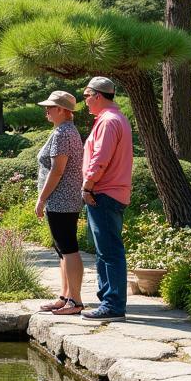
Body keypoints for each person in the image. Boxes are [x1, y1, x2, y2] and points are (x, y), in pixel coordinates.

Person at [80, 76, 134, 322]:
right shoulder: (114, 118)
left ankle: (112, 305)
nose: (85, 102)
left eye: (86, 96)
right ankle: (107, 301)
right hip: (110, 192)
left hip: (104, 192)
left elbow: (100, 158)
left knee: (110, 250)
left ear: (97, 95)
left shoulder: (109, 121)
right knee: (105, 250)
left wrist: (88, 185)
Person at [34, 91, 85, 316]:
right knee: (62, 250)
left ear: (63, 110)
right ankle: (65, 296)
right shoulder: (64, 131)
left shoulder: (63, 133)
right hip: (63, 200)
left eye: (51, 107)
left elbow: (57, 170)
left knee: (68, 248)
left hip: (62, 200)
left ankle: (75, 300)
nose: (46, 110)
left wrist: (42, 198)